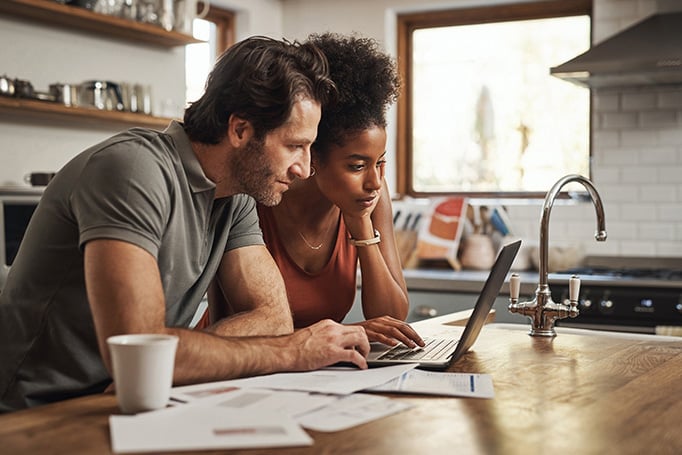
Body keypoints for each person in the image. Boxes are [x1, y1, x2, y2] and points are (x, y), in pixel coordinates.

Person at [0, 36, 370, 413]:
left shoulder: (236, 195)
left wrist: (177, 360)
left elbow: (273, 318)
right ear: (240, 130)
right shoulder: (132, 171)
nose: (304, 169)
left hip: (134, 400)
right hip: (35, 412)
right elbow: (140, 350)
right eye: (294, 146)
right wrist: (291, 351)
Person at [206, 33, 424, 348]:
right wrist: (340, 335)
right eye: (356, 166)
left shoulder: (370, 198)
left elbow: (392, 317)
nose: (375, 182)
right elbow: (230, 324)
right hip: (238, 365)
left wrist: (361, 225)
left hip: (316, 371)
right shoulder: (256, 195)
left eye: (380, 163)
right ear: (312, 154)